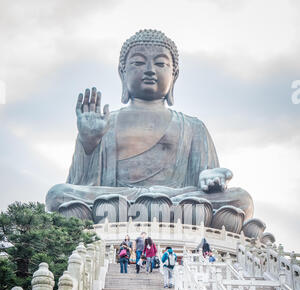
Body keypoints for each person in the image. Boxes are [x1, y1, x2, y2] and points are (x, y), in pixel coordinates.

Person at [46, 29, 259, 237]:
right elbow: (81, 185)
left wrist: (212, 177)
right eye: (138, 62)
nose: (149, 69)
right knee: (57, 195)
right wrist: (89, 142)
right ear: (122, 73)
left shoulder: (193, 126)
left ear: (174, 75)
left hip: (175, 200)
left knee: (242, 200)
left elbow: (206, 181)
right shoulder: (106, 123)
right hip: (120, 201)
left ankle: (158, 207)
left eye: (160, 64)